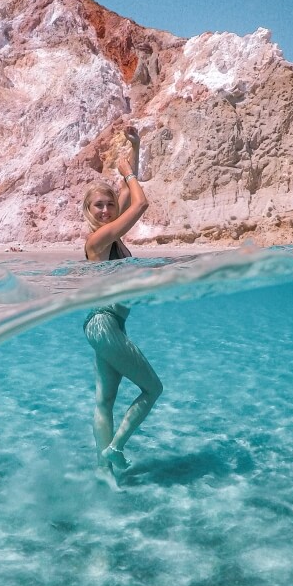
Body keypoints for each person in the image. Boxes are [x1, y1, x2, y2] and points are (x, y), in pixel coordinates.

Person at [82, 126, 163, 488]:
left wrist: (136, 148)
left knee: (106, 401)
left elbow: (132, 200)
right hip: (103, 323)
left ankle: (104, 473)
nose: (105, 209)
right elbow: (142, 202)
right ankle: (114, 449)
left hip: (108, 325)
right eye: (98, 205)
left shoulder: (115, 235)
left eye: (109, 204)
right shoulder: (97, 240)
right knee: (153, 389)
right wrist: (126, 172)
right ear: (87, 211)